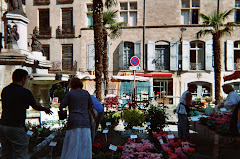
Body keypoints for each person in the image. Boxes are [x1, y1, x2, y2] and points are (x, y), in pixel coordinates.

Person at [0, 69, 52, 159]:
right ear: (23, 79)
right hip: (16, 126)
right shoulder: (25, 92)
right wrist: (45, 109)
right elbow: (35, 106)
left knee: (5, 153)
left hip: (3, 125)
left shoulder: (5, 90)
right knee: (21, 153)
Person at [59, 77, 94, 159]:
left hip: (74, 121)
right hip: (85, 122)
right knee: (84, 144)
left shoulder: (70, 94)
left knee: (72, 144)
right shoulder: (86, 93)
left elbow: (61, 106)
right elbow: (91, 106)